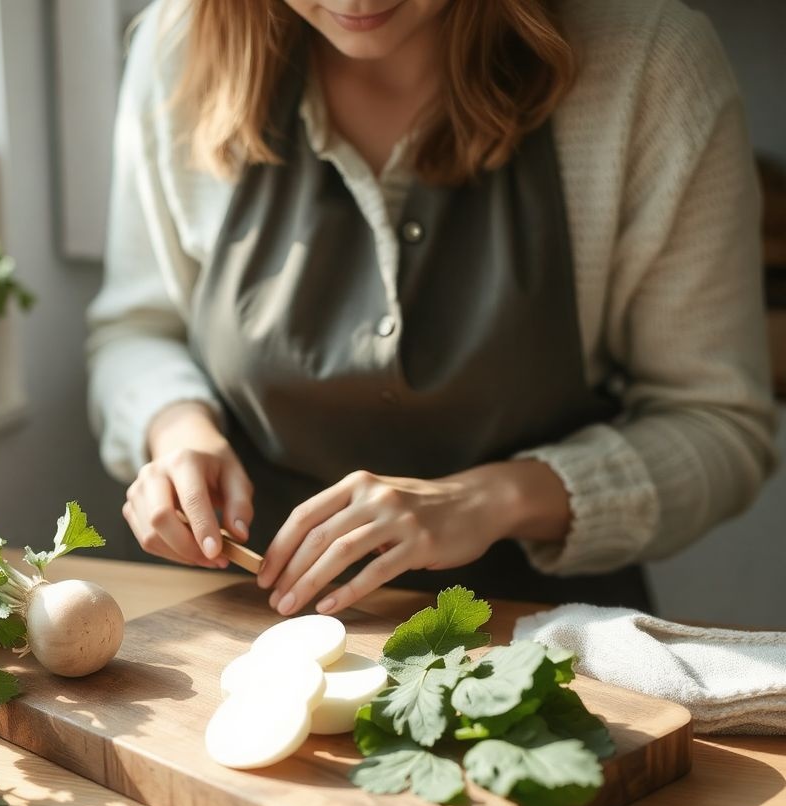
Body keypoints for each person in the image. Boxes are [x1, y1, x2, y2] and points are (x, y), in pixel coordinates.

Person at [86, 0, 777, 616]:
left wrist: (490, 500)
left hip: (535, 636)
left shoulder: (648, 64)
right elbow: (136, 330)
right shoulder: (177, 44)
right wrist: (177, 430)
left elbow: (717, 423)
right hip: (243, 618)